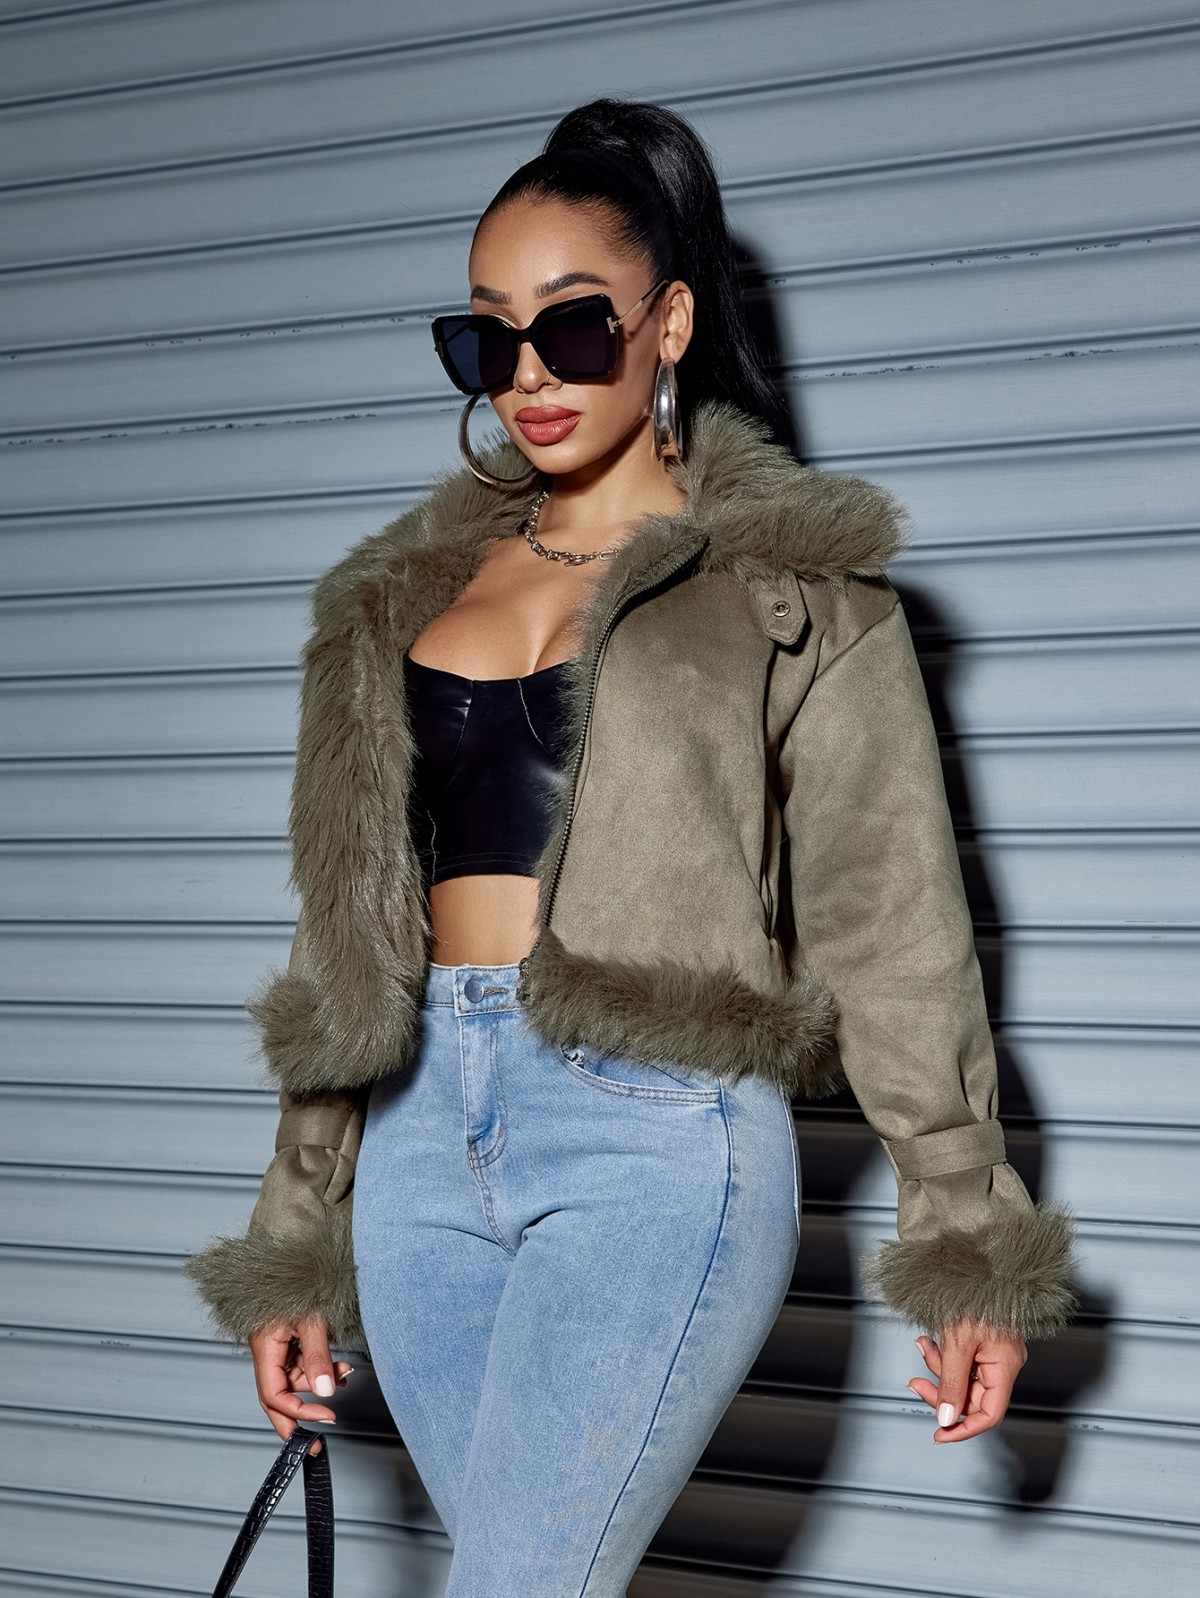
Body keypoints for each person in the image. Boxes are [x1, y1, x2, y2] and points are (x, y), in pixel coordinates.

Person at [186, 96, 1079, 1594]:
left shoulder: (793, 595)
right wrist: (296, 1229)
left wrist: (966, 1235)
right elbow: (344, 943)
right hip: (415, 1146)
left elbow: (893, 926)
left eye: (573, 326)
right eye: (488, 339)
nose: (529, 375)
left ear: (667, 324)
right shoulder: (396, 599)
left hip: (651, 1135)